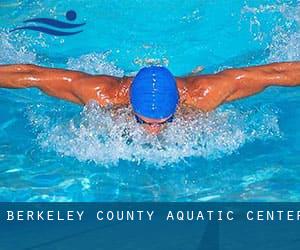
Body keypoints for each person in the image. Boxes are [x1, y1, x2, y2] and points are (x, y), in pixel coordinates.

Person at [0, 62, 299, 134]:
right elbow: (31, 75)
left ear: (177, 107)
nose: (153, 131)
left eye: (163, 122)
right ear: (130, 105)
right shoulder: (101, 93)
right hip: (117, 85)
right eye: (143, 121)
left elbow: (273, 74)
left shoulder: (204, 94)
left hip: (191, 84)